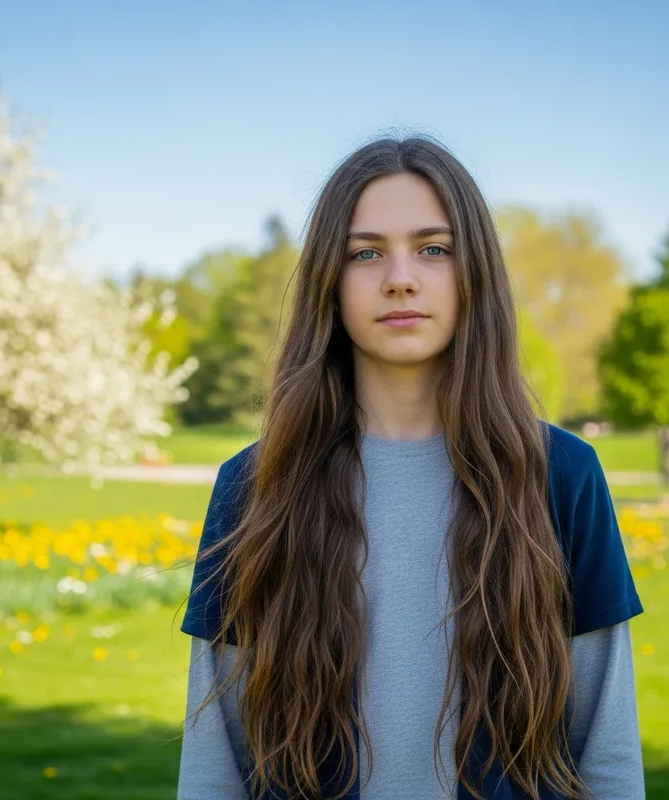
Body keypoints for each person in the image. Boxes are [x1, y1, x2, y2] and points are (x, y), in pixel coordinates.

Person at [175, 135, 645, 799]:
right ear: (329, 285)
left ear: (473, 271)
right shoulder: (255, 485)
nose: (400, 276)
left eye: (434, 248)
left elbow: (607, 750)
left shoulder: (563, 476)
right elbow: (214, 761)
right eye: (365, 252)